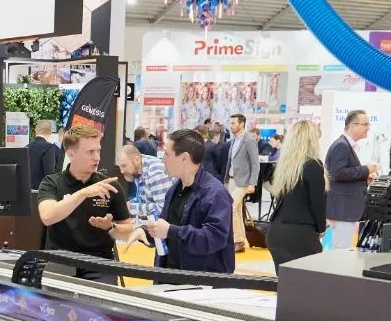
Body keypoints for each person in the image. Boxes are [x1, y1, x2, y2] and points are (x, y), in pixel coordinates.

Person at [36, 124, 137, 281]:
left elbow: (128, 232)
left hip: (99, 263)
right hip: (60, 261)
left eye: (98, 151)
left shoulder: (110, 186)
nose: (97, 157)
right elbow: (48, 217)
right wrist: (83, 193)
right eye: (90, 152)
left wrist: (110, 227)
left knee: (101, 294)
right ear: (71, 154)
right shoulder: (52, 183)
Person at [148, 129, 236, 274]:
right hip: (169, 275)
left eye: (167, 154)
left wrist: (171, 231)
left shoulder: (216, 194)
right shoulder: (174, 190)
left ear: (184, 158)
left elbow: (214, 238)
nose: (163, 159)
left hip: (201, 281)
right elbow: (166, 227)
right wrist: (146, 231)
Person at [265, 120, 327, 267]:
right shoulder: (313, 165)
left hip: (276, 231)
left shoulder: (285, 166)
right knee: (309, 277)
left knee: (285, 279)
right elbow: (317, 203)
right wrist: (321, 228)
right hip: (300, 233)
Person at [326, 109, 373, 250]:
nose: (368, 128)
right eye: (365, 124)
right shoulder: (342, 145)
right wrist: (365, 170)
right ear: (353, 125)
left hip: (345, 208)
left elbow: (343, 173)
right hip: (343, 208)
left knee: (343, 248)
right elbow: (338, 173)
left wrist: (364, 178)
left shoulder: (345, 145)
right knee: (342, 250)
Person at [225, 114, 260, 254]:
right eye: (231, 123)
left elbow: (255, 164)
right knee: (237, 211)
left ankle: (238, 240)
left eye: (233, 123)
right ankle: (240, 240)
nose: (231, 125)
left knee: (231, 207)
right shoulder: (234, 140)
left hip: (243, 181)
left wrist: (252, 183)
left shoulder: (249, 140)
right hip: (232, 179)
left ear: (242, 124)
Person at [27, 119, 59, 189]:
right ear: (50, 132)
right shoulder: (49, 147)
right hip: (42, 190)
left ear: (36, 131)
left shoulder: (27, 147)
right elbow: (50, 173)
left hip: (27, 190)